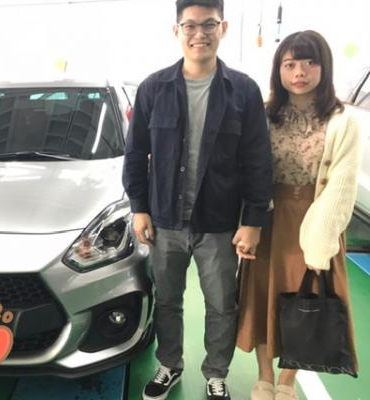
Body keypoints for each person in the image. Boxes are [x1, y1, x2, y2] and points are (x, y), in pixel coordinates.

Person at [122, 0, 273, 399]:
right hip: (165, 219)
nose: (199, 34)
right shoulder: (153, 88)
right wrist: (139, 208)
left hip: (219, 221)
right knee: (167, 300)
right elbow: (135, 153)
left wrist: (253, 220)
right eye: (190, 25)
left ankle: (216, 372)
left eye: (209, 24)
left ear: (223, 28)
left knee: (222, 304)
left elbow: (258, 160)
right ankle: (169, 364)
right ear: (177, 31)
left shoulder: (243, 91)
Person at [236, 30, 361, 400]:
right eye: (289, 64)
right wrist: (247, 223)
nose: (299, 72)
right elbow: (248, 171)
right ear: (279, 70)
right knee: (263, 297)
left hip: (317, 219)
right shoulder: (264, 113)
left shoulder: (342, 120)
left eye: (309, 62)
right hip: (268, 218)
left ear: (324, 66)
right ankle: (264, 376)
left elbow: (342, 185)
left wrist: (321, 241)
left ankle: (287, 380)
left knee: (308, 299)